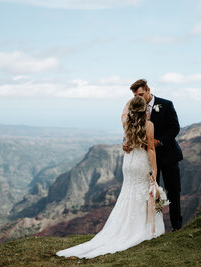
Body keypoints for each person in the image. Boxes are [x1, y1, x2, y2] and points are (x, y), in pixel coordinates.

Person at [56, 96, 164, 259]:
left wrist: (130, 100)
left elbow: (123, 113)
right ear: (145, 110)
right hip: (141, 162)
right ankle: (142, 228)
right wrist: (154, 169)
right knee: (143, 192)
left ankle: (124, 227)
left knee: (128, 193)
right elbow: (150, 149)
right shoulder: (149, 125)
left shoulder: (126, 123)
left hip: (128, 164)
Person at [125, 79, 183, 231]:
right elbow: (131, 131)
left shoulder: (167, 104)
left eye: (141, 94)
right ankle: (151, 228)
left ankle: (177, 227)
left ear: (148, 90)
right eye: (136, 95)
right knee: (150, 193)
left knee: (173, 192)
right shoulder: (136, 108)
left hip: (169, 156)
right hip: (148, 160)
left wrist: (160, 142)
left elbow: (175, 128)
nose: (139, 98)